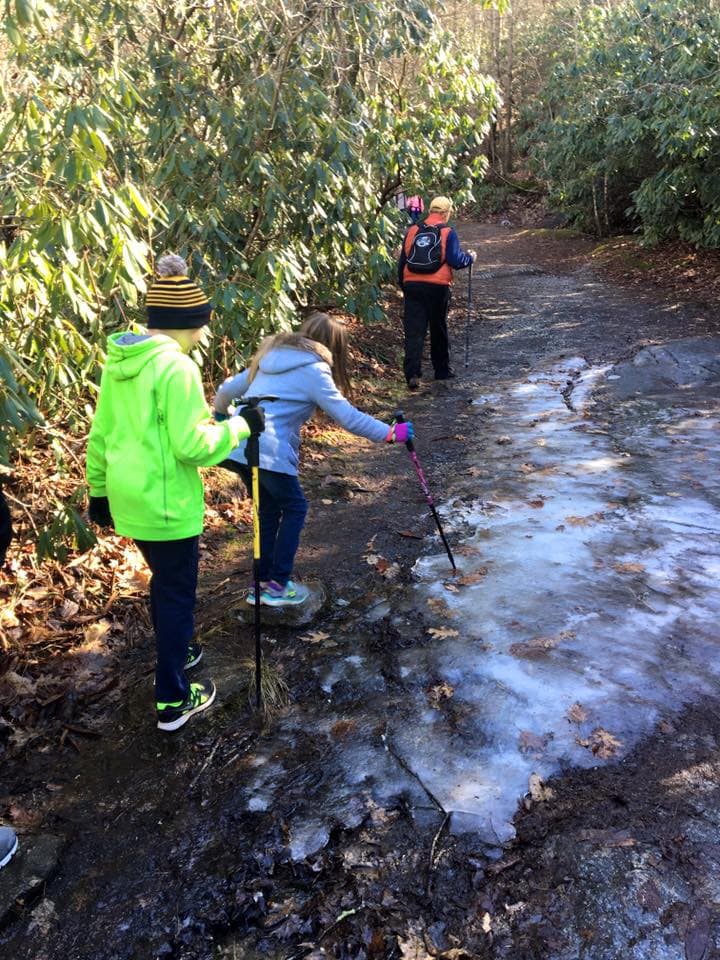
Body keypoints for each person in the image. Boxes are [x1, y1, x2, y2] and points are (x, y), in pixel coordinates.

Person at [86, 254, 263, 732]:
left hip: (128, 497)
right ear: (190, 323)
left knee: (163, 582)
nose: (205, 333)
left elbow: (100, 434)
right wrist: (241, 427)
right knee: (176, 592)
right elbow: (193, 447)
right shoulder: (177, 370)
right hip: (166, 505)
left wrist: (97, 492)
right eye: (203, 324)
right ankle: (172, 701)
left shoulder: (121, 362)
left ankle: (180, 648)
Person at [213, 312, 413, 607]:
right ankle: (278, 586)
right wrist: (390, 434)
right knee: (295, 507)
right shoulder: (314, 369)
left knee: (268, 512)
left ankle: (261, 585)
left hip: (237, 444)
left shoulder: (270, 356)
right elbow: (348, 417)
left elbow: (227, 389)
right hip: (268, 450)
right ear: (333, 346)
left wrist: (221, 417)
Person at [398, 195, 475, 390]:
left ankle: (412, 374)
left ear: (430, 211)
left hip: (412, 284)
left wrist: (405, 286)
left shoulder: (413, 230)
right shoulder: (448, 232)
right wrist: (470, 258)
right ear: (446, 213)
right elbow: (456, 260)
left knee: (414, 331)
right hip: (438, 286)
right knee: (438, 327)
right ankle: (441, 370)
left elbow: (403, 262)